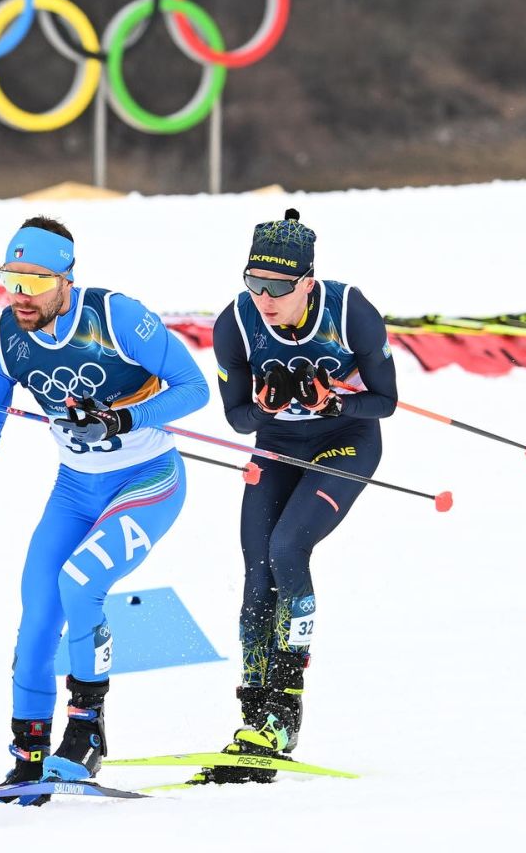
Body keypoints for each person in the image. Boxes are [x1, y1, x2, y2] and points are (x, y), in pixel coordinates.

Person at [0, 215, 209, 793]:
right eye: (11, 280)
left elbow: (195, 388)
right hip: (75, 490)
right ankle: (28, 752)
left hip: (148, 480)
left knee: (80, 582)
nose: (21, 296)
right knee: (38, 615)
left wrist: (122, 418)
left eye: (36, 283)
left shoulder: (117, 317)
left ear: (67, 279)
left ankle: (87, 733)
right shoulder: (4, 339)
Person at [202, 208, 397, 784]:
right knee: (257, 570)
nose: (264, 297)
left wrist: (335, 402)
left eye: (279, 287)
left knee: (288, 548)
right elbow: (237, 418)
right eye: (254, 282)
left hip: (346, 442)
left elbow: (385, 401)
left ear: (307, 283)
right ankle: (254, 715)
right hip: (278, 447)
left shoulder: (350, 310)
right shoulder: (235, 323)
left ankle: (286, 708)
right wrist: (263, 407)